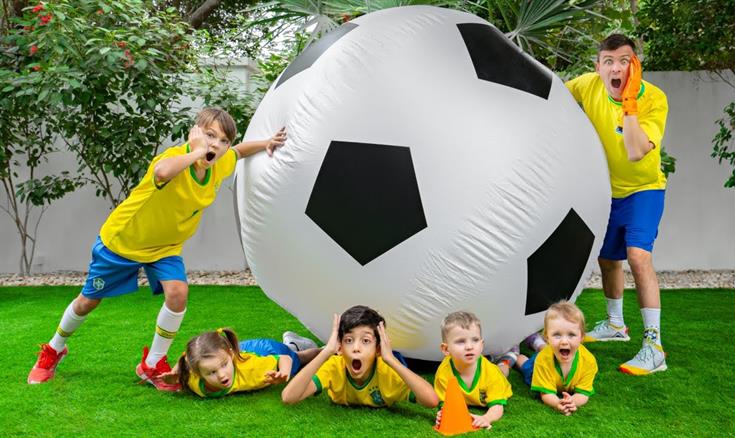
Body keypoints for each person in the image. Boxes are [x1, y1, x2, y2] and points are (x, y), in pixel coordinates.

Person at [27, 108, 287, 390]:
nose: (216, 144)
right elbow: (162, 172)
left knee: (178, 293)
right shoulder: (173, 159)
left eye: (223, 140)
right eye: (210, 135)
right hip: (123, 242)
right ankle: (53, 349)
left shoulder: (220, 163)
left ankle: (152, 364)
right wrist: (196, 152)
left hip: (165, 247)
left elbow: (238, 152)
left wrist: (266, 143)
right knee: (87, 301)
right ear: (195, 133)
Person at [565, 33, 669, 375]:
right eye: (608, 61)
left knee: (638, 257)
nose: (615, 68)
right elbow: (552, 95)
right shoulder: (588, 85)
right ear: (598, 66)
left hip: (644, 189)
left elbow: (636, 151)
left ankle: (654, 347)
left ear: (635, 66)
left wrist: (630, 102)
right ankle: (615, 325)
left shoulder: (654, 99)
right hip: (605, 190)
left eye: (624, 61)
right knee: (608, 259)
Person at [281, 305, 439, 409]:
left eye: (365, 341)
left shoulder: (388, 373)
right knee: (318, 354)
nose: (356, 348)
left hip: (389, 358)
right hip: (348, 355)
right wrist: (327, 351)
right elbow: (288, 397)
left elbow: (431, 400)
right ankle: (313, 348)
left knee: (406, 360)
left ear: (378, 348)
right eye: (349, 340)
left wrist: (391, 360)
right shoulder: (335, 366)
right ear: (340, 347)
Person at [161, 328, 320, 398]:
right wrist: (176, 375)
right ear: (198, 373)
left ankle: (322, 349)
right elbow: (186, 356)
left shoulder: (253, 369)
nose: (221, 375)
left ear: (230, 355)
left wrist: (284, 374)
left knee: (299, 359)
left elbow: (284, 359)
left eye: (224, 365)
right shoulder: (193, 377)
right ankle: (292, 343)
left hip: (266, 350)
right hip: (237, 350)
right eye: (212, 372)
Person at [514, 301, 597, 416]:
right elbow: (546, 393)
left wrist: (572, 402)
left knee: (543, 352)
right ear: (547, 337)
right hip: (539, 365)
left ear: (581, 337)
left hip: (551, 354)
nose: (564, 341)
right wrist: (557, 403)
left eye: (571, 335)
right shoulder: (542, 361)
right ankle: (518, 355)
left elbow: (583, 393)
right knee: (525, 367)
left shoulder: (588, 361)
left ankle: (535, 341)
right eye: (557, 335)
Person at [434, 311, 512, 430]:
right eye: (461, 341)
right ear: (446, 349)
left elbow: (497, 406)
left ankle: (507, 360)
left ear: (482, 344)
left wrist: (486, 418)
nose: (470, 346)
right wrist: (443, 413)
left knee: (503, 372)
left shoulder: (491, 374)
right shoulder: (443, 373)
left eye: (475, 340)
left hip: (496, 375)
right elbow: (445, 403)